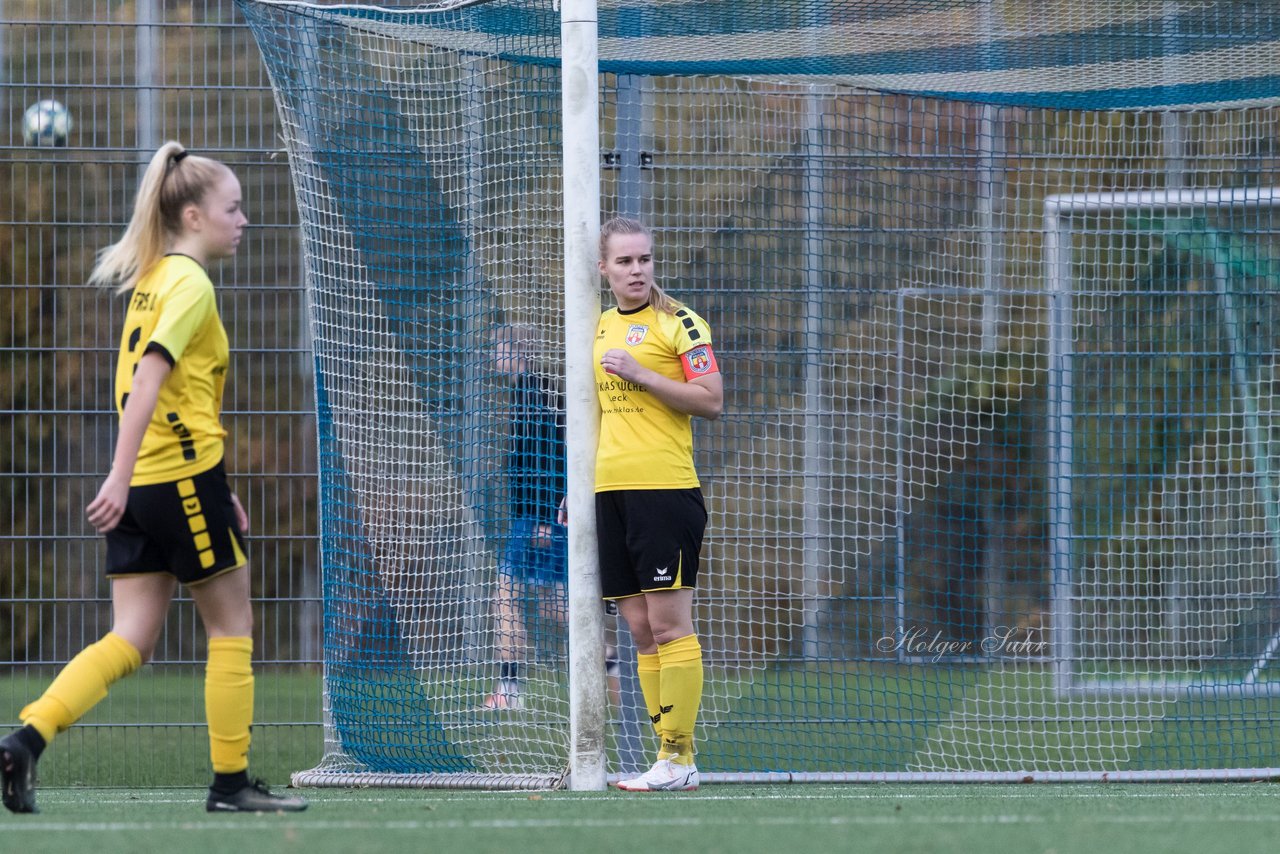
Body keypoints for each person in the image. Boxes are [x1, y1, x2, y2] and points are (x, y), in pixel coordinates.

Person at [0, 142, 307, 814]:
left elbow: (176, 398)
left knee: (130, 638)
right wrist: (120, 474)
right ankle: (230, 785)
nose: (244, 219)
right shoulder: (190, 283)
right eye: (234, 208)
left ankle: (25, 739)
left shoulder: (155, 279)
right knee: (231, 628)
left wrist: (204, 487)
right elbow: (149, 379)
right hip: (172, 480)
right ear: (193, 216)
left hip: (158, 483)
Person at [581, 217, 723, 791]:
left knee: (669, 628)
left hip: (663, 489)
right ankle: (669, 760)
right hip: (610, 491)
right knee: (639, 632)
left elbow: (711, 401)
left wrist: (641, 374)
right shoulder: (596, 326)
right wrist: (577, 485)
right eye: (625, 262)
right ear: (604, 268)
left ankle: (679, 759)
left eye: (644, 259)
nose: (637, 270)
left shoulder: (680, 323)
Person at [483, 327, 620, 710]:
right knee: (555, 607)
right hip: (535, 517)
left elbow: (553, 460)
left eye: (498, 347)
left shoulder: (535, 395)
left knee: (506, 597)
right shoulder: (524, 392)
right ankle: (611, 660)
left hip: (538, 519)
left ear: (517, 351)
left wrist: (547, 518)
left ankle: (509, 690)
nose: (493, 356)